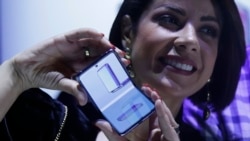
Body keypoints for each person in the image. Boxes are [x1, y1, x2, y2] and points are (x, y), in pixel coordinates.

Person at [0, 0, 246, 141]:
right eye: (170, 19)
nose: (190, 40)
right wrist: (15, 73)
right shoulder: (46, 120)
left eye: (208, 31)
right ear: (128, 33)